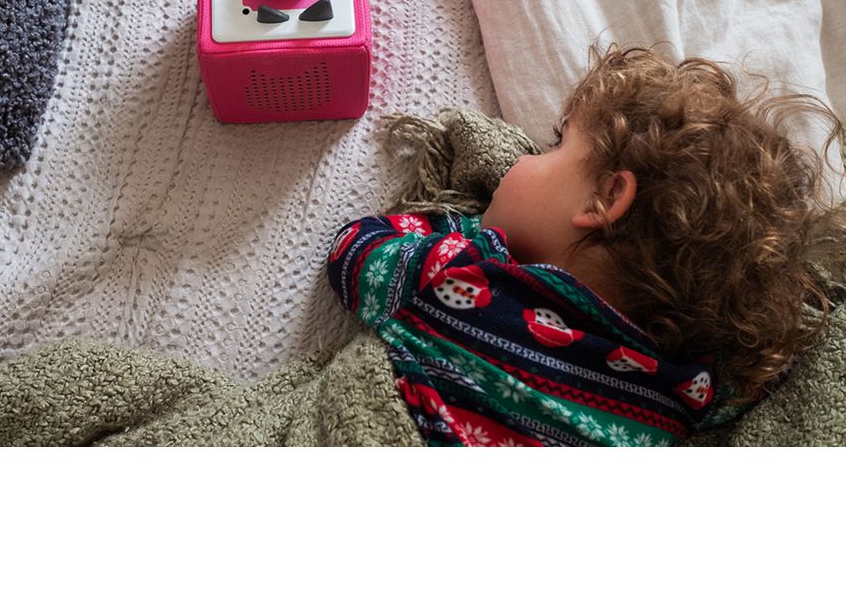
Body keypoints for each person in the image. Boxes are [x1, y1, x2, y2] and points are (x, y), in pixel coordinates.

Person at [327, 43, 846, 446]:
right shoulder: (690, 390)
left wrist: (464, 230)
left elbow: (355, 249)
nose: (524, 157)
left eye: (557, 144)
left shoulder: (464, 279)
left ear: (605, 198)